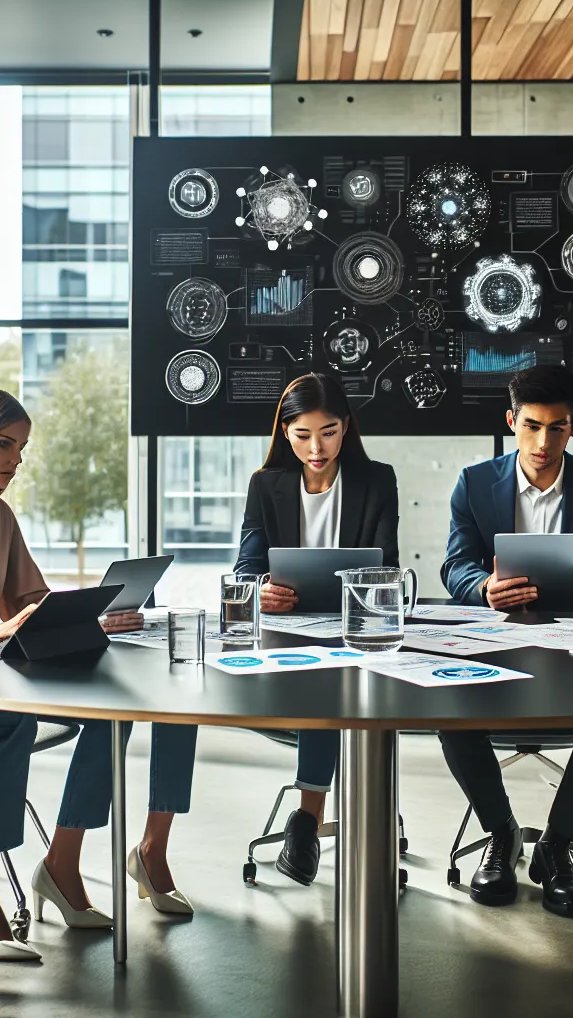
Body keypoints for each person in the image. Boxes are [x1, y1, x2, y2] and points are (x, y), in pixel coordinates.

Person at [0, 386, 200, 921]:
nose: (15, 460)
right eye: (4, 444)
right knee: (16, 722)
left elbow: (30, 601)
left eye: (21, 448)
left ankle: (62, 862)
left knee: (110, 716)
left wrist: (93, 615)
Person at [438, 364, 573, 918]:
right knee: (448, 707)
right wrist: (484, 587)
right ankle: (500, 834)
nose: (543, 442)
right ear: (511, 422)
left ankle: (555, 847)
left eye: (556, 427)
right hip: (498, 642)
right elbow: (453, 566)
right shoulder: (475, 484)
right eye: (531, 426)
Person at [234, 372, 399, 885]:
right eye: (303, 435)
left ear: (346, 428)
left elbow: (386, 565)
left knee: (337, 674)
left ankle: (306, 818)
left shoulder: (377, 480)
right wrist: (262, 587)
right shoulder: (267, 485)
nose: (316, 447)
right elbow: (246, 567)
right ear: (286, 433)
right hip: (290, 634)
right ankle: (312, 814)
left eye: (328, 432)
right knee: (322, 678)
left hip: (360, 631)